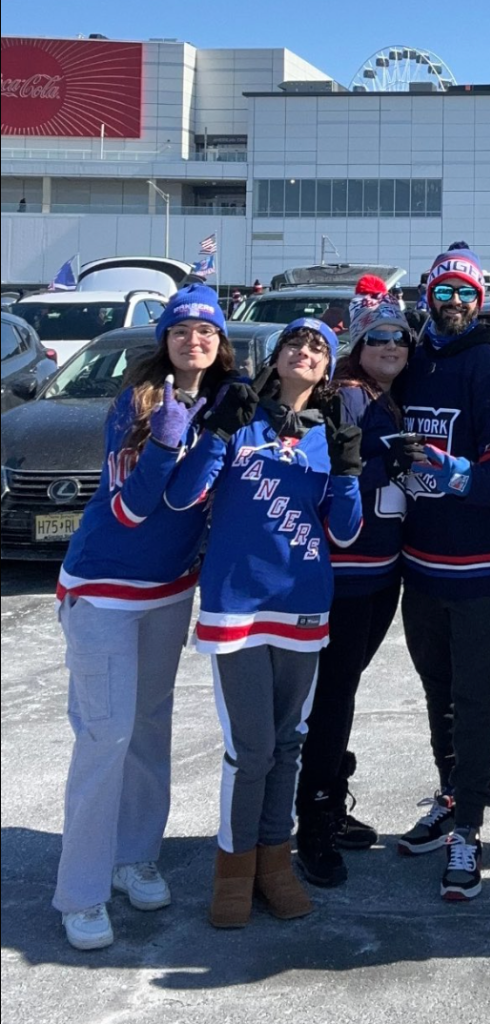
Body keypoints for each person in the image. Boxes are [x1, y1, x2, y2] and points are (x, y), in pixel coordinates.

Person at [52, 283, 237, 950]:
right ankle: (81, 892)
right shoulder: (137, 402)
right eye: (183, 329)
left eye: (207, 332)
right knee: (106, 734)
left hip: (168, 591)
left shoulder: (223, 404)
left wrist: (213, 441)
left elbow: (191, 501)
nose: (194, 340)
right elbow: (132, 509)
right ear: (164, 339)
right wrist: (167, 444)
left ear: (221, 345)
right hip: (102, 589)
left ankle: (134, 856)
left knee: (150, 728)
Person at [166, 316, 363, 929]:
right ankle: (234, 868)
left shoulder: (328, 435)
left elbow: (347, 531)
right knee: (250, 748)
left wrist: (351, 473)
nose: (305, 353)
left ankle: (275, 864)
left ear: (328, 370)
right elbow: (182, 497)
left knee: (288, 745)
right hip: (237, 604)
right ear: (275, 358)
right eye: (295, 344)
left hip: (303, 602)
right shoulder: (238, 415)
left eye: (318, 349)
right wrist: (216, 435)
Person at [397, 241, 490, 901]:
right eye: (442, 292)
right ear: (427, 297)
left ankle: (469, 827)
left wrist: (457, 473)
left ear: (479, 301)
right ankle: (450, 795)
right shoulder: (413, 364)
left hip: (477, 570)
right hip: (418, 568)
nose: (452, 303)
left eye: (463, 293)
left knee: (474, 700)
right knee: (436, 694)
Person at [294, 277, 413, 887]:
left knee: (341, 694)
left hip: (381, 570)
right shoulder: (345, 396)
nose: (391, 345)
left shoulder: (386, 394)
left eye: (399, 336)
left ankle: (330, 797)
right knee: (332, 698)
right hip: (345, 572)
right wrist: (376, 464)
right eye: (378, 337)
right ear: (358, 345)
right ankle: (314, 824)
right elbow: (324, 474)